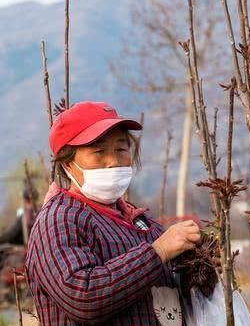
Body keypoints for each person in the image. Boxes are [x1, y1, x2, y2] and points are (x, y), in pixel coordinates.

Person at [25, 101, 201, 325]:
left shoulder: (142, 222)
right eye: (99, 152)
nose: (113, 162)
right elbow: (84, 298)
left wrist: (197, 265)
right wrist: (158, 251)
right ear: (68, 163)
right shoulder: (59, 221)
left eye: (121, 149)